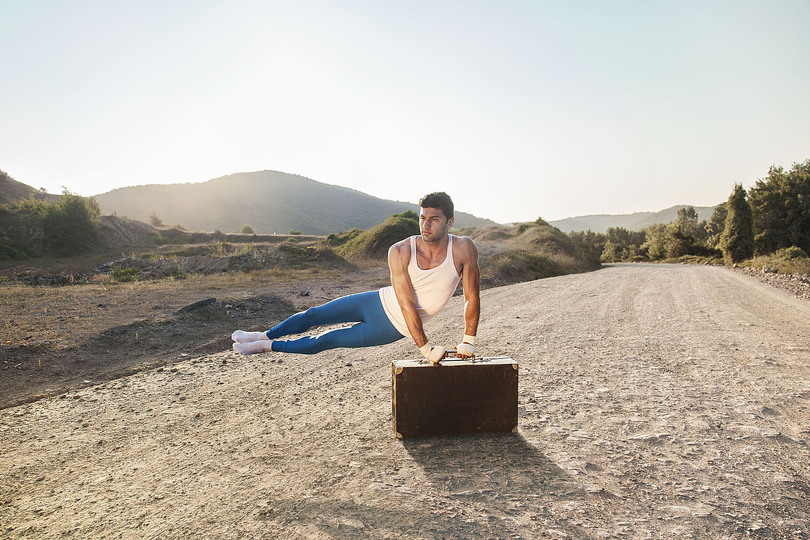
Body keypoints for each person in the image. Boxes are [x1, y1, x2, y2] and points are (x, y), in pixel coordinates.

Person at [231, 191, 480, 363]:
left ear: (450, 223)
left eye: (434, 220)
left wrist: (468, 341)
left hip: (392, 326)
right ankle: (264, 335)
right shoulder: (401, 250)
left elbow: (471, 297)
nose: (425, 225)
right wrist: (425, 349)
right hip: (376, 301)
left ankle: (266, 347)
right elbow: (404, 300)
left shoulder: (462, 249)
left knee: (325, 340)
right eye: (422, 218)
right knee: (313, 314)